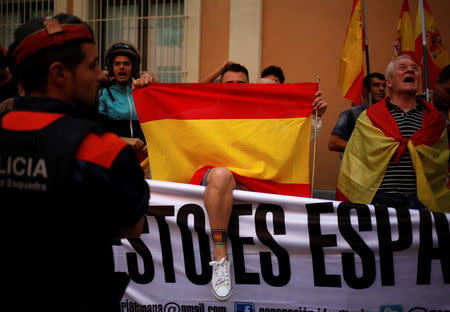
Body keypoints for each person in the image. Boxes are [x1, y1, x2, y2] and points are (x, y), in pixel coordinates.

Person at [1, 14, 150, 310]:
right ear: (59, 75)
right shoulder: (101, 150)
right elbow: (133, 227)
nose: (101, 75)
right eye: (92, 65)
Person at [205, 63, 328, 301]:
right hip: (218, 182)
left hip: (258, 188)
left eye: (241, 84)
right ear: (219, 87)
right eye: (229, 84)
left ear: (249, 87)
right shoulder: (206, 108)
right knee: (221, 175)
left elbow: (296, 140)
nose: (235, 88)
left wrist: (313, 116)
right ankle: (220, 256)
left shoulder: (262, 112)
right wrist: (146, 84)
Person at [336, 55, 449, 211]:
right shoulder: (369, 117)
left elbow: (440, 164)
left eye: (414, 69)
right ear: (389, 82)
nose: (410, 69)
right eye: (402, 67)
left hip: (420, 203)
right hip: (379, 200)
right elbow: (356, 159)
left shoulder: (434, 119)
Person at [98, 41, 157, 162]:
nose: (121, 67)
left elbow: (156, 126)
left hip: (144, 159)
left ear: (133, 67)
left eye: (126, 64)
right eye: (117, 64)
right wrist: (123, 139)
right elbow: (98, 131)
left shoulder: (142, 90)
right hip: (115, 158)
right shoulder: (103, 94)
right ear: (111, 68)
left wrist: (151, 144)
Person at [328, 73, 386, 155]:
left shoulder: (387, 115)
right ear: (365, 90)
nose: (381, 88)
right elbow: (333, 143)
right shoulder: (350, 114)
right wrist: (363, 150)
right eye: (376, 85)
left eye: (384, 86)